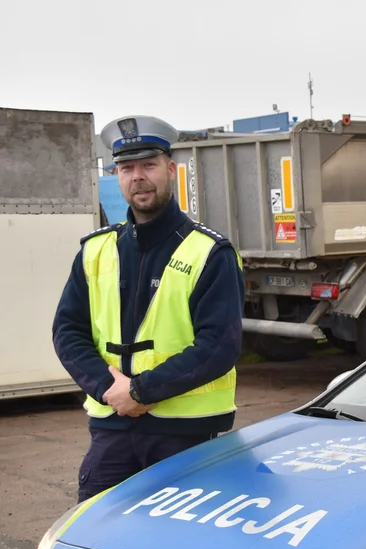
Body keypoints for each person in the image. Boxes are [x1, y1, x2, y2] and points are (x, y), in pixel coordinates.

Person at [52, 115, 246, 502]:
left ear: (170, 170)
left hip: (187, 434)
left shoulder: (210, 253)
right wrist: (111, 390)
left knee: (184, 548)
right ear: (117, 175)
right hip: (113, 429)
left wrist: (141, 390)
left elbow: (218, 344)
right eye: (126, 167)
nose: (137, 176)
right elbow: (67, 331)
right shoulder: (95, 250)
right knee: (93, 537)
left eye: (148, 165)